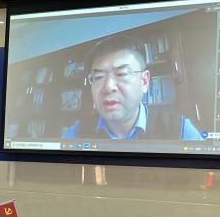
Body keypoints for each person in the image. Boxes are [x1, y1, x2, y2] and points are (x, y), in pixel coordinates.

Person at [63, 34, 203, 140]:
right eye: (99, 77)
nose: (108, 87)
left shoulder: (181, 131)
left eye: (122, 74)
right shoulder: (77, 132)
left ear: (144, 82)